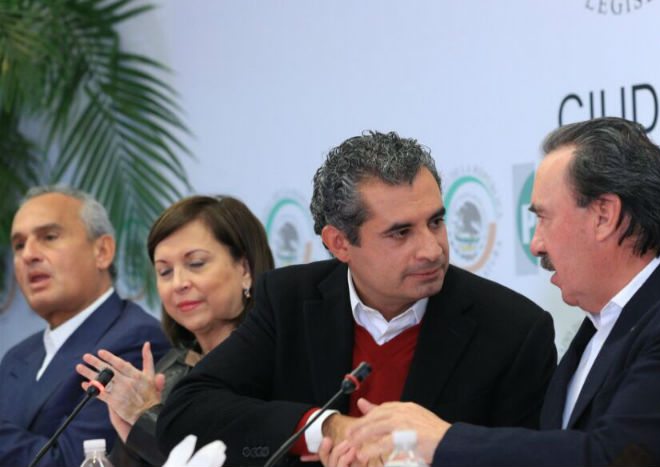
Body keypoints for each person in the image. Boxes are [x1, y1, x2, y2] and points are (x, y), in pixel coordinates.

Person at [336, 117, 660, 466]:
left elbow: (619, 458)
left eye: (544, 218)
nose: (536, 244)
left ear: (604, 216)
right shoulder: (605, 323)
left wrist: (443, 441)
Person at [157, 131, 557, 465]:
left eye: (436, 221)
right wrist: (325, 427)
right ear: (339, 243)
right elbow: (188, 410)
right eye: (401, 233)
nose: (432, 249)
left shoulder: (513, 330)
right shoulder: (288, 301)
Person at [74, 195, 275, 466]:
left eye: (196, 264)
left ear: (245, 269)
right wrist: (130, 436)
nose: (178, 283)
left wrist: (146, 417)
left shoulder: (278, 365)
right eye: (165, 271)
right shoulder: (169, 371)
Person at [0, 186, 169, 467]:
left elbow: (74, 461)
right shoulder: (17, 356)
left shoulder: (135, 339)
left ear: (102, 251)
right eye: (18, 245)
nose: (28, 254)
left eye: (49, 237)